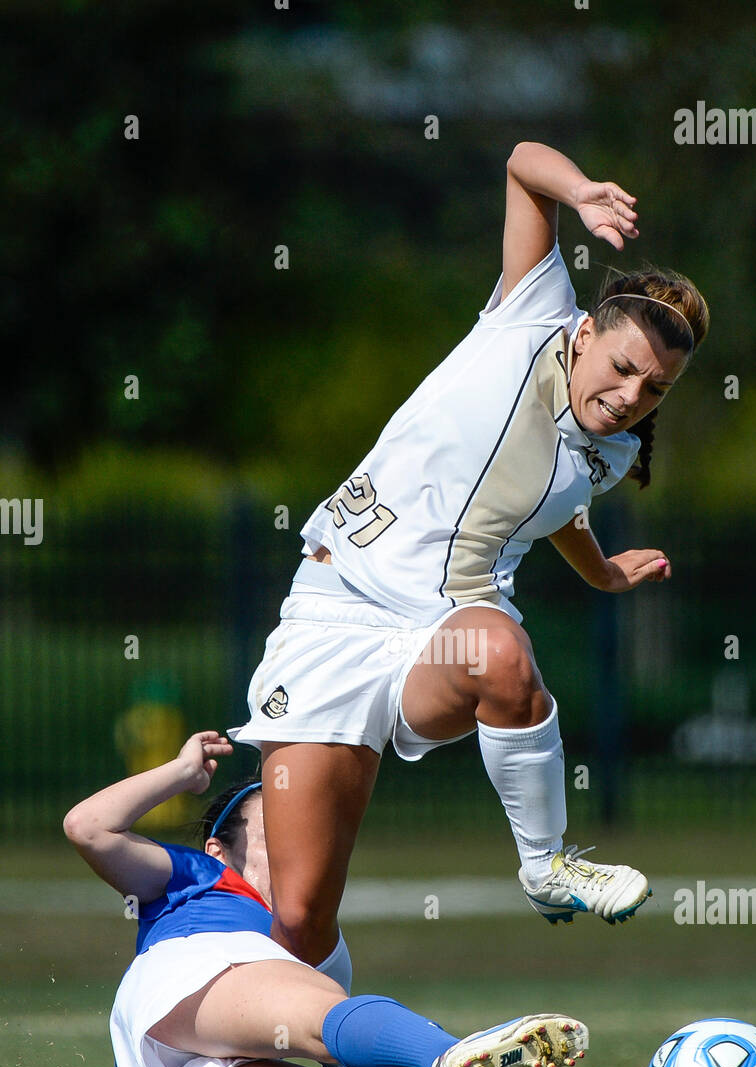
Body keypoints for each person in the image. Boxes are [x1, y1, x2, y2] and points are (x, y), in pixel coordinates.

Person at [227, 140, 710, 977]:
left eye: (656, 388)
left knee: (498, 650)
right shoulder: (534, 311)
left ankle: (547, 864)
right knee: (301, 914)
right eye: (626, 367)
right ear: (587, 332)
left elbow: (553, 509)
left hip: (440, 640)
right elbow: (524, 160)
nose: (633, 395)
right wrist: (585, 188)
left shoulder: (617, 449)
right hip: (333, 620)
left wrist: (601, 570)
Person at [52, 732, 587, 1067]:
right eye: (275, 831)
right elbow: (88, 828)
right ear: (220, 849)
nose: (296, 842)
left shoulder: (313, 934)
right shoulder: (201, 876)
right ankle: (446, 1054)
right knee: (323, 1016)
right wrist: (179, 774)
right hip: (190, 977)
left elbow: (337, 1057)